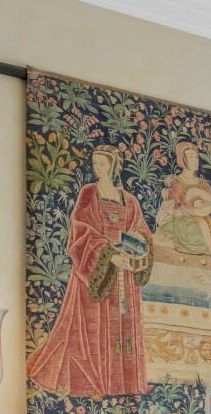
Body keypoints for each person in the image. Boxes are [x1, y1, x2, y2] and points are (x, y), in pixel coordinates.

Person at [29, 148, 153, 397]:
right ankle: (98, 384)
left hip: (125, 274)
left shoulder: (129, 200)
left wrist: (136, 245)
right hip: (97, 270)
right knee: (93, 329)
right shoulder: (89, 193)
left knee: (124, 329)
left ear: (114, 166)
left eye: (102, 164)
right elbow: (80, 231)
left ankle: (125, 385)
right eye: (95, 163)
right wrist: (109, 255)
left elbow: (142, 232)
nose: (98, 168)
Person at [155, 140, 211, 267]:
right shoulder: (178, 182)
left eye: (196, 157)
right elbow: (174, 208)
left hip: (204, 222)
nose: (195, 160)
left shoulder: (203, 184)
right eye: (191, 157)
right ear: (183, 160)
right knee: (207, 233)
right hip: (183, 225)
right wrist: (189, 207)